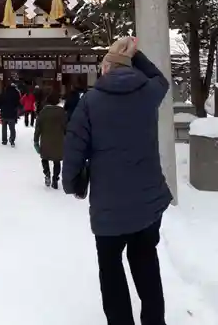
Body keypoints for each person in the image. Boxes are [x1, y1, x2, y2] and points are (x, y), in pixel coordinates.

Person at [63, 37, 172, 325]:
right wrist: (135, 55)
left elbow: (75, 146)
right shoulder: (149, 92)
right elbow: (160, 78)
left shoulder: (91, 102)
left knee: (111, 269)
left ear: (106, 68)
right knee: (146, 260)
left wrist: (73, 182)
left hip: (109, 205)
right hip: (149, 202)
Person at [34, 92, 67, 189]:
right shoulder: (62, 112)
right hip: (59, 140)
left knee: (44, 158)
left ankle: (47, 173)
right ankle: (55, 179)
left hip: (46, 140)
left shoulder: (43, 112)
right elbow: (66, 127)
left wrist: (36, 140)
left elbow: (38, 128)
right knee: (57, 161)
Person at [0, 82, 21, 146]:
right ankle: (12, 140)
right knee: (12, 128)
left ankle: (4, 140)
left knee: (4, 128)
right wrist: (20, 111)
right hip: (12, 114)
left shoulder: (3, 93)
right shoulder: (16, 93)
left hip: (4, 114)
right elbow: (18, 103)